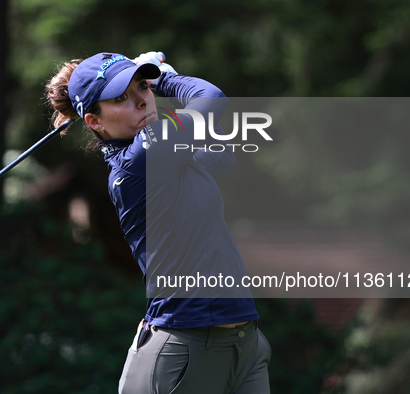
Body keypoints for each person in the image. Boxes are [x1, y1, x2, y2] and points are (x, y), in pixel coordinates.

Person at [46, 51, 271, 393]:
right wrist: (165, 77)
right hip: (185, 350)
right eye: (121, 98)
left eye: (142, 87)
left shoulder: (167, 155)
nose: (141, 101)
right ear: (95, 122)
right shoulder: (140, 160)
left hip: (244, 344)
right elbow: (212, 100)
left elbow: (222, 153)